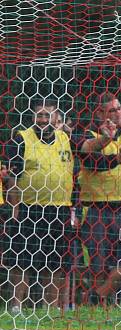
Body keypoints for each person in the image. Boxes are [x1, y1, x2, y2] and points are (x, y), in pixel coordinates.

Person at [2, 101, 74, 313]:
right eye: (39, 115)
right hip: (28, 208)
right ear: (33, 117)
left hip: (59, 209)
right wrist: (15, 207)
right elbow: (12, 179)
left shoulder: (65, 138)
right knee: (21, 260)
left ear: (56, 118)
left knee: (53, 263)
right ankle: (16, 308)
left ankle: (48, 310)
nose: (43, 120)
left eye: (47, 115)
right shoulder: (21, 138)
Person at [73, 92, 121, 300]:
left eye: (120, 108)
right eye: (112, 109)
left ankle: (98, 296)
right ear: (100, 112)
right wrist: (117, 155)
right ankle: (99, 310)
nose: (118, 112)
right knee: (97, 263)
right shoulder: (87, 134)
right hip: (97, 208)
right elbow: (91, 162)